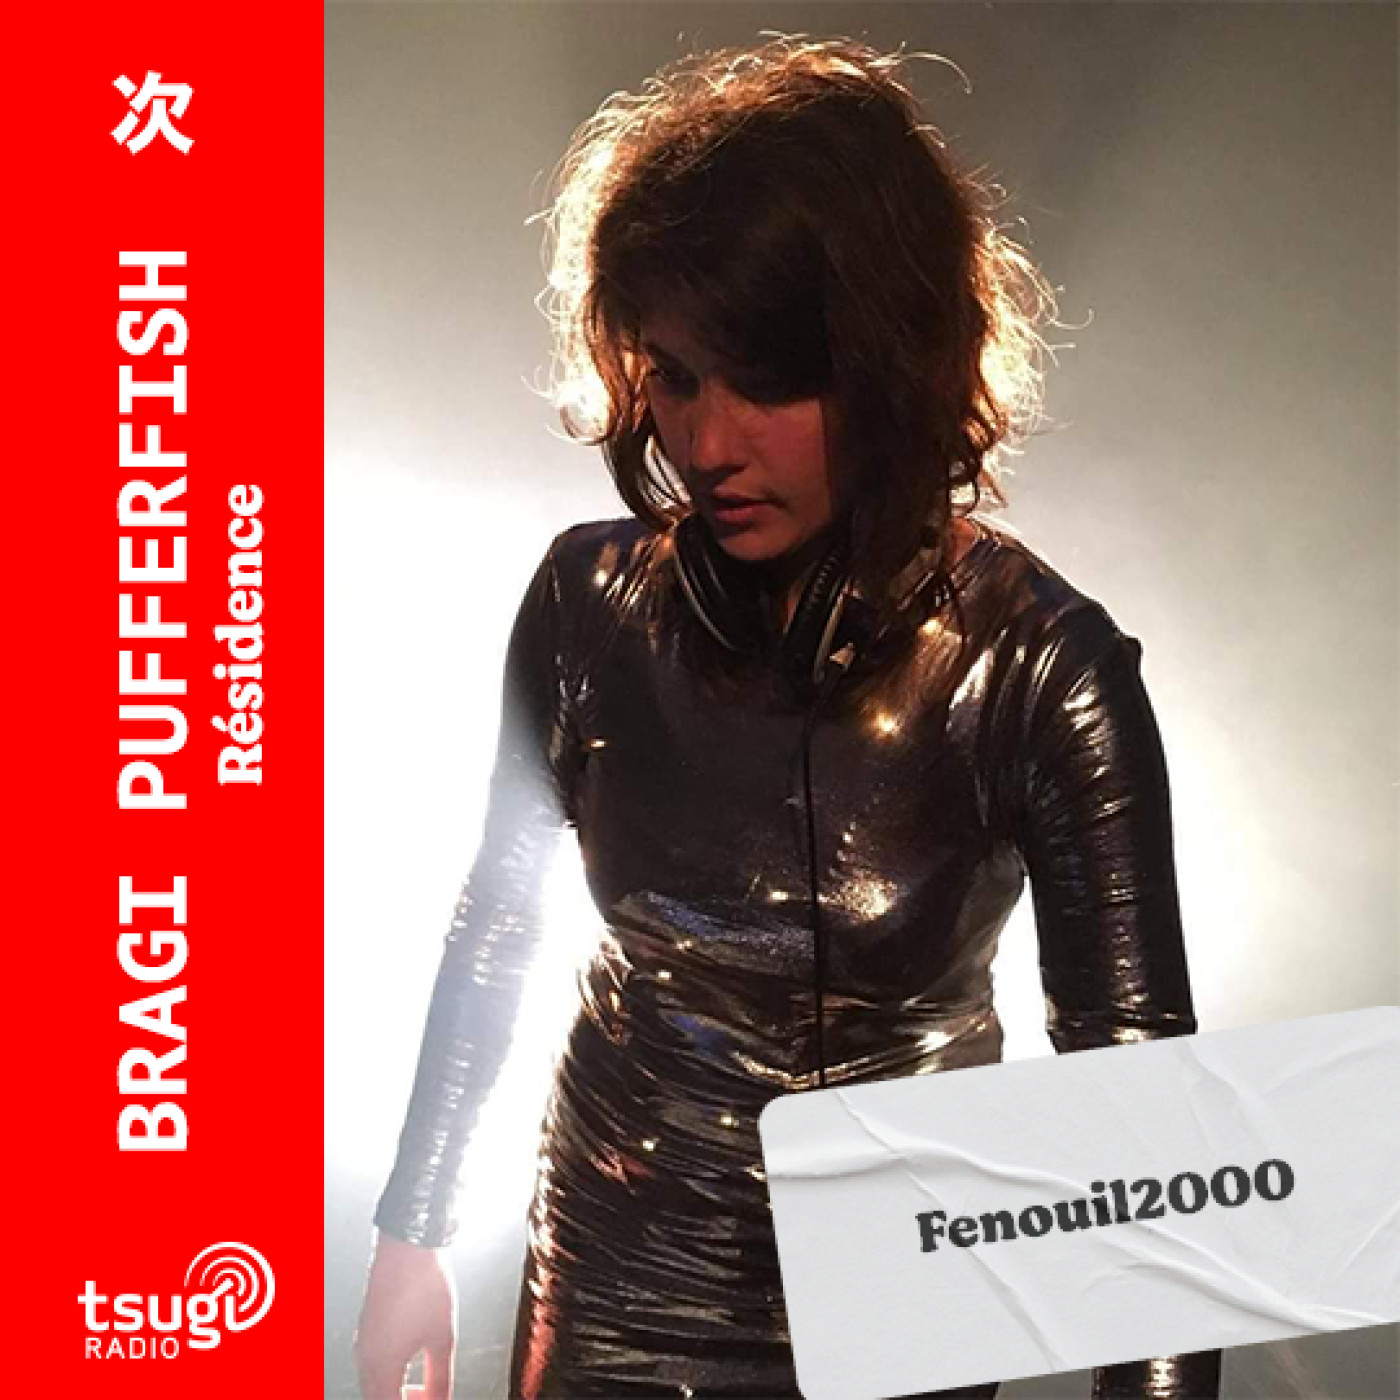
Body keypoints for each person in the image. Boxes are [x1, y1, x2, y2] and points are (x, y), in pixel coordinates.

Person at [355, 36, 1223, 1400]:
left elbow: (1144, 1115)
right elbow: (498, 924)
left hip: (912, 1308)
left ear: (889, 359)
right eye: (676, 377)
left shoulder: (1043, 670)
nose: (708, 445)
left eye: (763, 379)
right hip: (613, 1282)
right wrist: (411, 1230)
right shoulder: (588, 604)